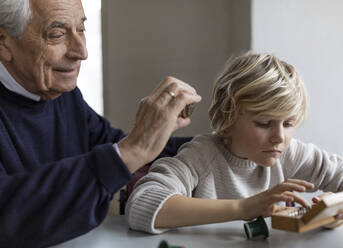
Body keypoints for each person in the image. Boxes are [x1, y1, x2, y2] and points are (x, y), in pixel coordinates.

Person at [0, 0, 201, 247]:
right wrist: (132, 150)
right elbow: (8, 216)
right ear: (3, 41)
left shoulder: (62, 94)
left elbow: (112, 145)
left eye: (81, 30)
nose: (81, 51)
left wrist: (219, 144)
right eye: (57, 34)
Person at [125, 51, 343, 234]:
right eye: (264, 123)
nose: (279, 137)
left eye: (288, 124)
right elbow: (142, 204)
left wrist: (336, 208)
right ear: (228, 117)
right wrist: (246, 207)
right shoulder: (201, 156)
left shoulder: (292, 153)